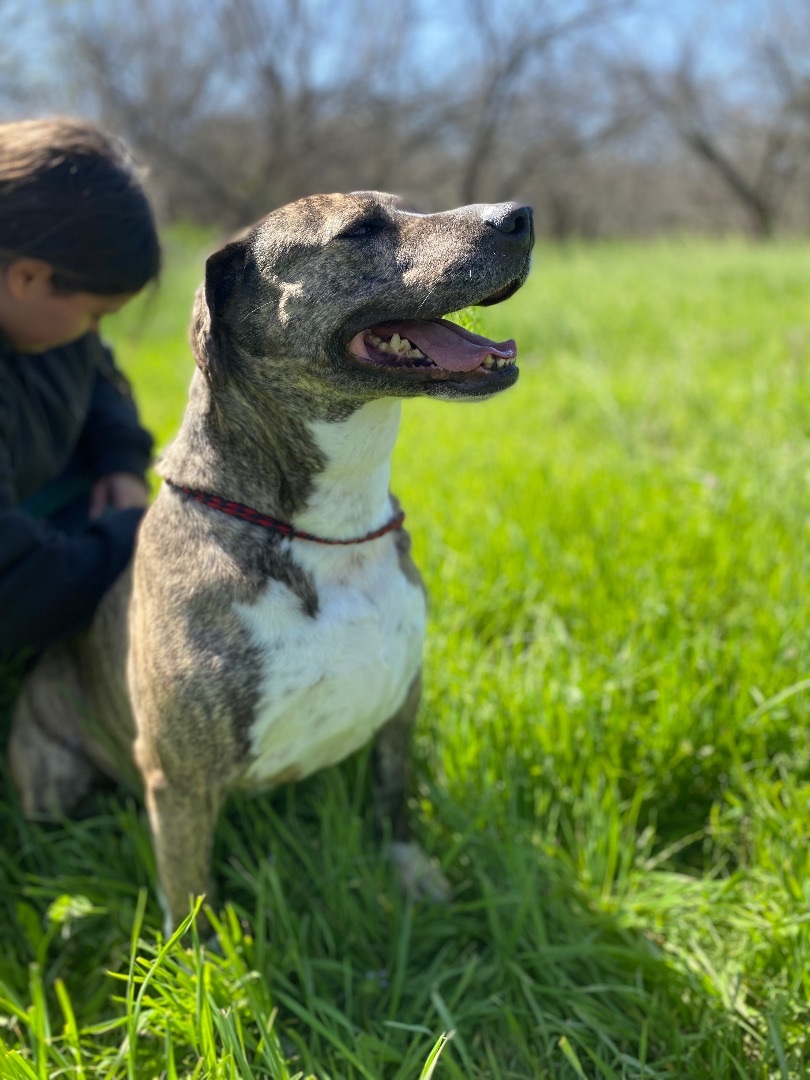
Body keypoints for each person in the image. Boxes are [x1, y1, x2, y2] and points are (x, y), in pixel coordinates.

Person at [0, 117, 161, 658]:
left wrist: (121, 459)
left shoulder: (38, 322)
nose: (95, 331)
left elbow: (97, 375)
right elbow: (10, 590)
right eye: (96, 313)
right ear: (27, 278)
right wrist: (137, 536)